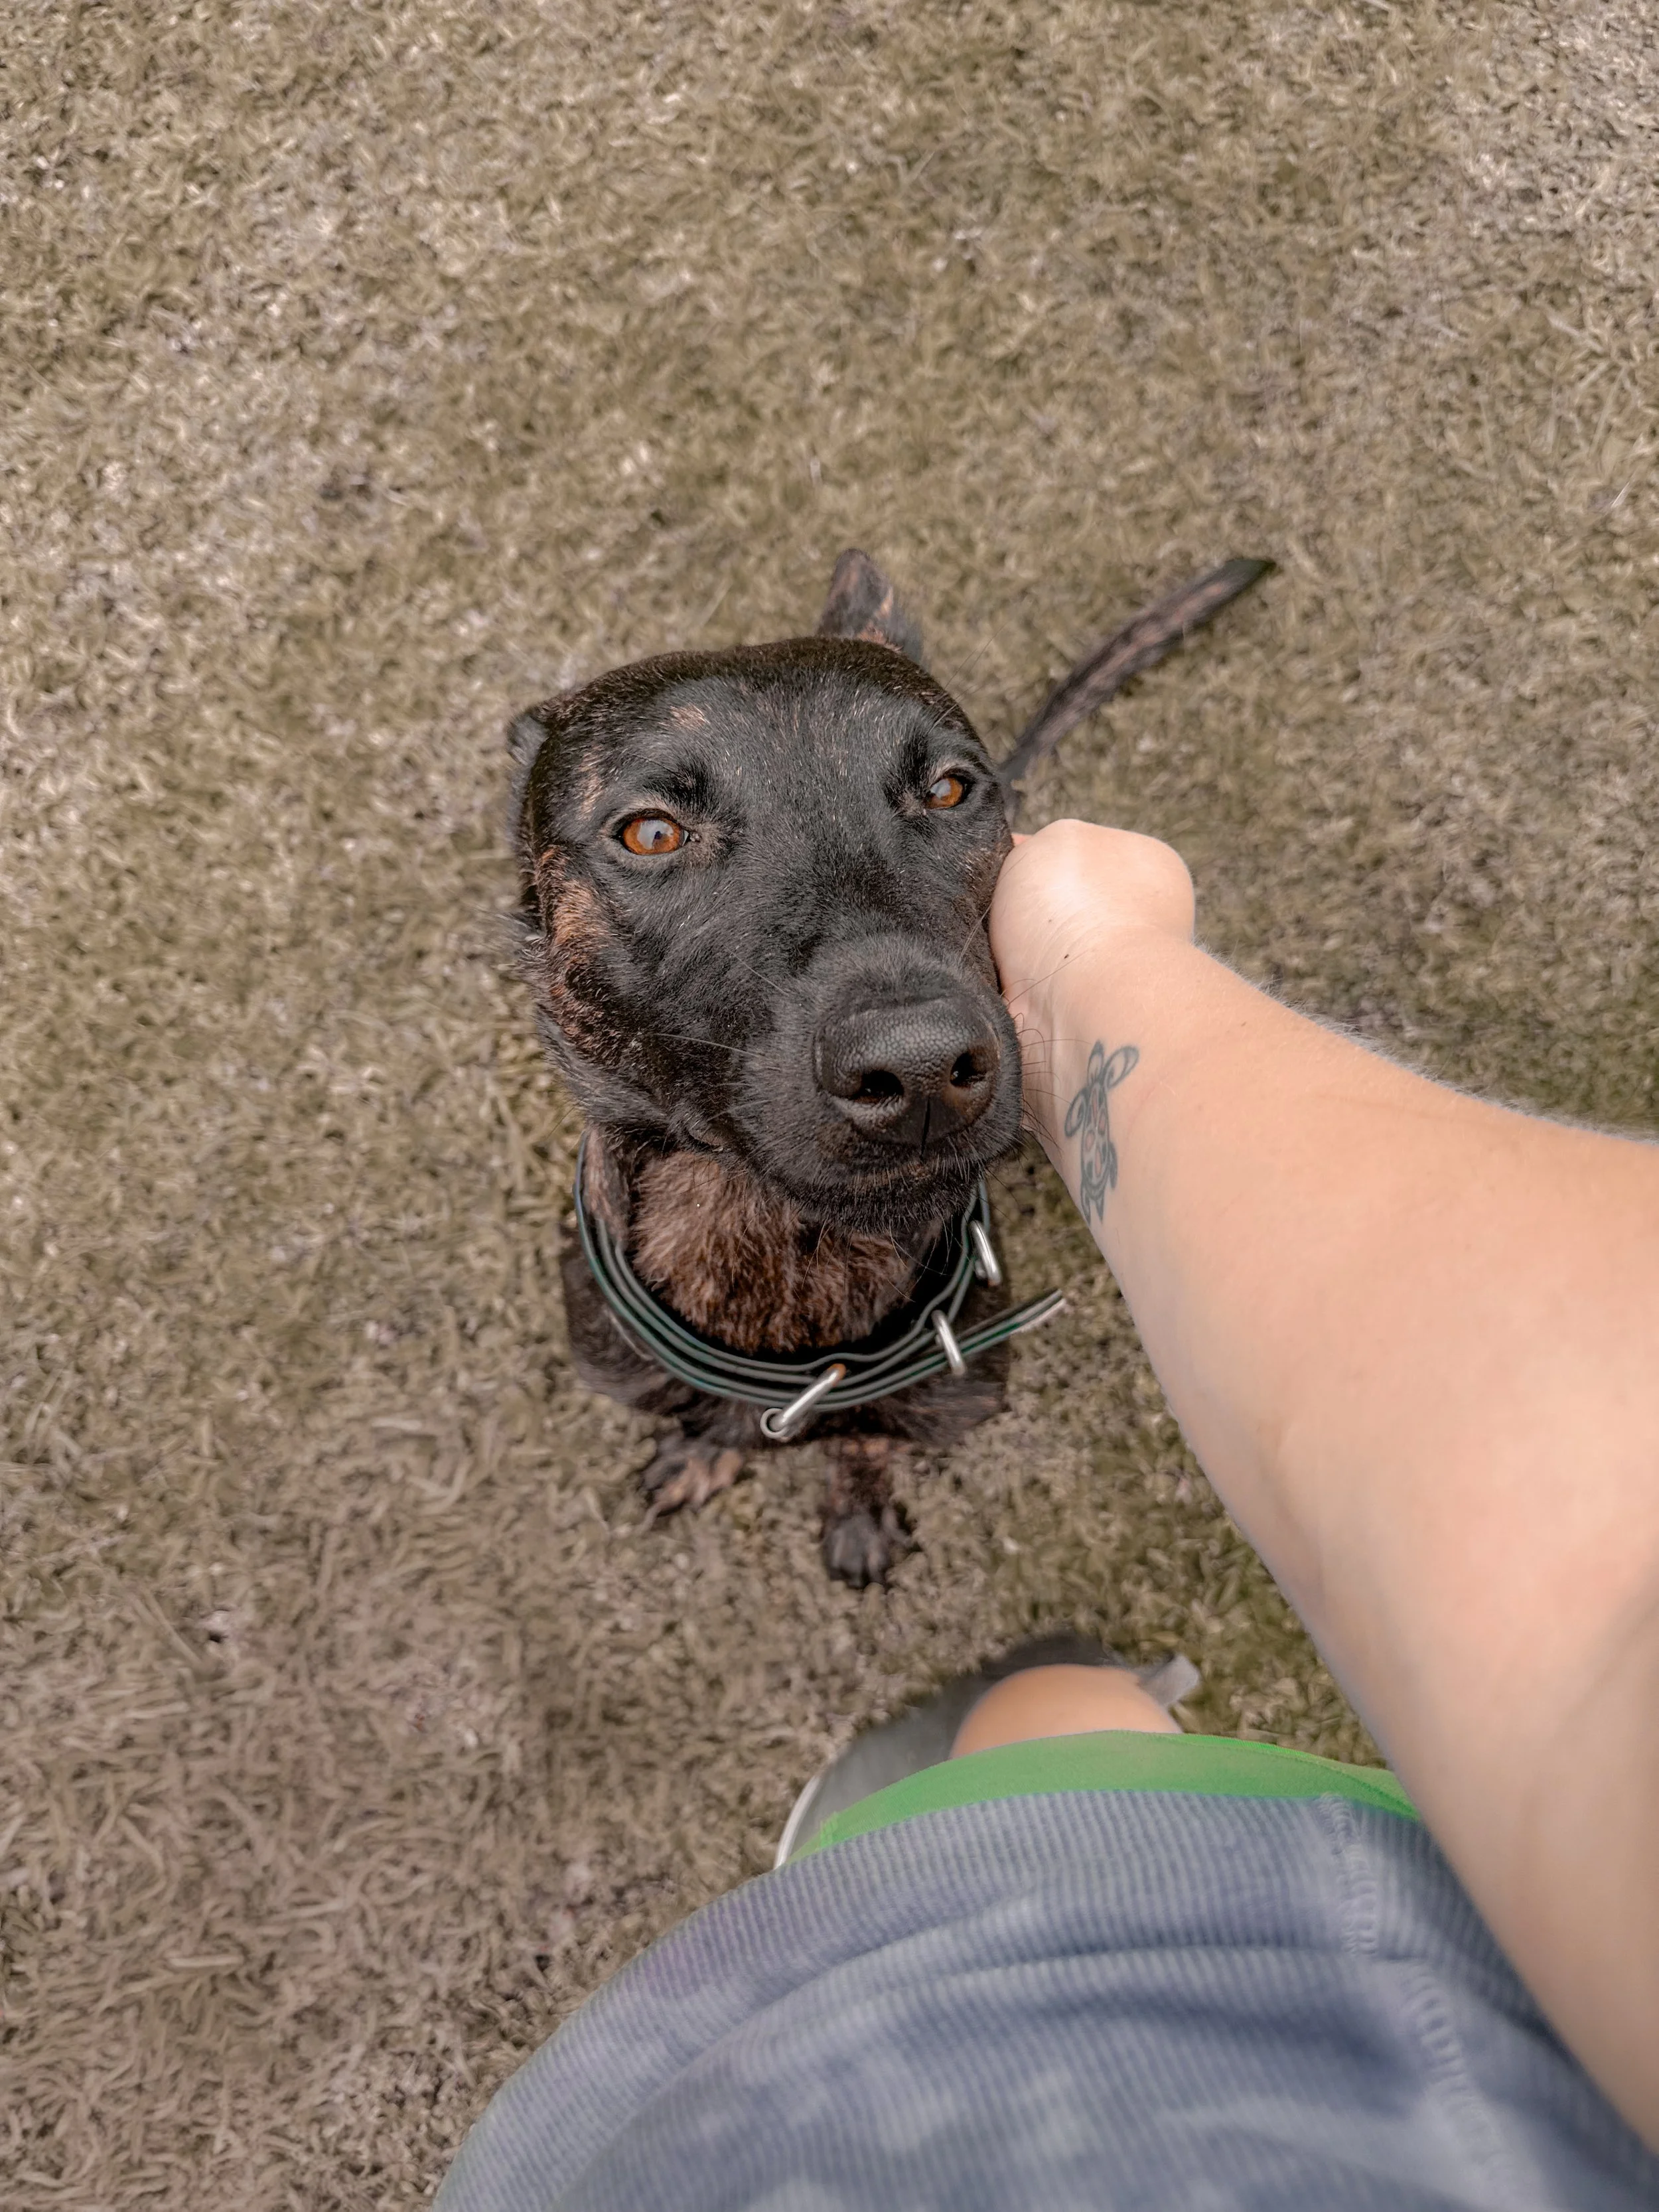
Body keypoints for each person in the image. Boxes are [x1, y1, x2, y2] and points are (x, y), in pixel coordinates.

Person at [438, 821, 1659, 2209]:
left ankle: (931, 1655)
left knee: (1059, 1724)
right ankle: (1000, 1733)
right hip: (1389, 2008)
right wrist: (1095, 969)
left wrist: (1093, 968)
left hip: (745, 2116)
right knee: (1066, 1727)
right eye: (654, 834)